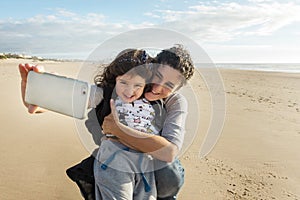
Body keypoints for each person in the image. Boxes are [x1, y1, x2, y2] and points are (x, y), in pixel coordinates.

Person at [19, 44, 195, 200]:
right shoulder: (116, 91)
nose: (157, 88)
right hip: (116, 158)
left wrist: (118, 130)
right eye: (157, 76)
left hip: (148, 165)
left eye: (169, 86)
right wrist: (35, 89)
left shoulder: (175, 102)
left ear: (177, 89)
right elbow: (62, 99)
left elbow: (169, 152)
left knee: (170, 172)